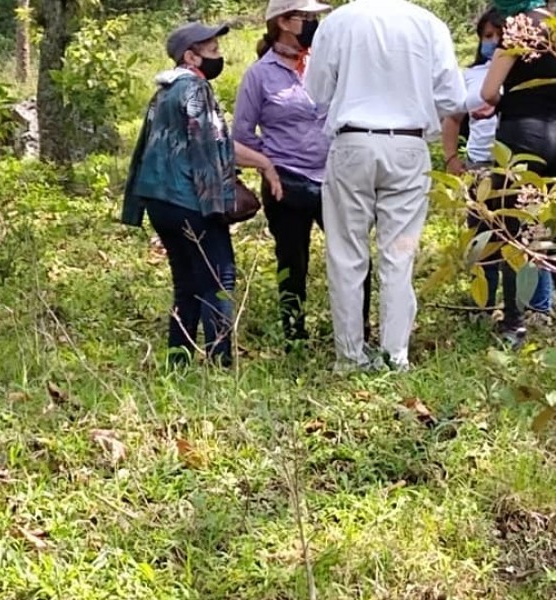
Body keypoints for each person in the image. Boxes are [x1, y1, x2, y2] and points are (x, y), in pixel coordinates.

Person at [305, 0, 466, 372]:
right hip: (408, 147)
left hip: (352, 144)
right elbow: (453, 98)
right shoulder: (429, 23)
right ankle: (395, 356)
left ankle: (350, 357)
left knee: (346, 254)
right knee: (399, 255)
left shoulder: (338, 22)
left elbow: (316, 92)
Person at [122, 22, 278, 368]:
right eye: (212, 51)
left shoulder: (164, 90)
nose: (219, 56)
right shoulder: (195, 90)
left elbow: (146, 147)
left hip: (159, 201)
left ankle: (178, 362)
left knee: (186, 282)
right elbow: (211, 145)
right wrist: (220, 202)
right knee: (218, 278)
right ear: (190, 57)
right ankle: (221, 364)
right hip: (190, 199)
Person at [233, 0, 373, 350]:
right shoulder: (259, 75)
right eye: (306, 18)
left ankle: (359, 334)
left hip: (336, 178)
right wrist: (268, 165)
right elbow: (242, 135)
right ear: (283, 22)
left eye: (315, 17)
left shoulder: (326, 65)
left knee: (355, 256)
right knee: (293, 262)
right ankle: (294, 336)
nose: (314, 24)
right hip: (288, 181)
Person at [476, 0, 556, 348]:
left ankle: (514, 323)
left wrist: (504, 99)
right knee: (554, 230)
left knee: (512, 230)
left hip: (522, 134)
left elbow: (488, 92)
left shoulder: (516, 32)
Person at [442, 7, 553, 318]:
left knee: (528, 234)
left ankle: (536, 306)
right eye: (485, 37)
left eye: (496, 35)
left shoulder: (528, 69)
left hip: (518, 162)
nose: (490, 42)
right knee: (483, 238)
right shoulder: (471, 75)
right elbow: (452, 118)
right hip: (480, 163)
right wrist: (452, 157)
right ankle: (484, 305)